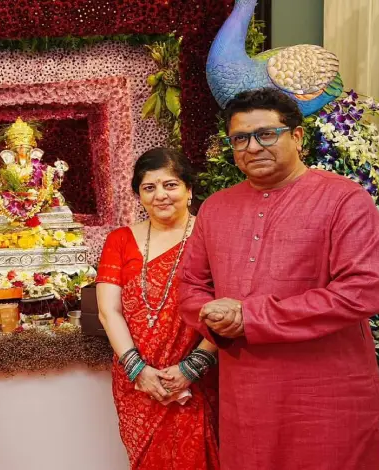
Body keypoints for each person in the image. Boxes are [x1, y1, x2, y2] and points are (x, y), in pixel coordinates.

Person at [179, 87, 379, 469]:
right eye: (240, 138)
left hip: (328, 396)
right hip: (247, 399)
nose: (253, 146)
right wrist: (213, 316)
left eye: (266, 134)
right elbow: (192, 288)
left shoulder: (345, 200)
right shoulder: (215, 208)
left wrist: (251, 317)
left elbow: (362, 292)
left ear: (296, 136)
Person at [96, 147, 220, 469]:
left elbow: (227, 307)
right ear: (139, 194)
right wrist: (138, 369)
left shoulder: (212, 238)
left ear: (189, 190)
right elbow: (109, 311)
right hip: (136, 382)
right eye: (149, 187)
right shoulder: (120, 240)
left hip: (197, 379)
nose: (160, 195)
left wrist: (191, 368)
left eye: (170, 185)